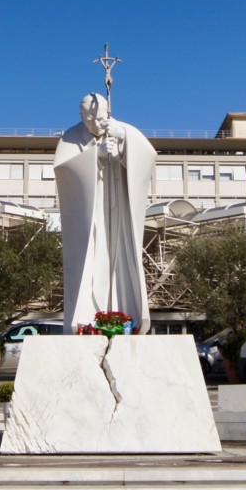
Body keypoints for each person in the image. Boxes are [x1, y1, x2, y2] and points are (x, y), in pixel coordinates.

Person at [53, 93, 156, 335]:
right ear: (81, 116)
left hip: (120, 213)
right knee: (91, 260)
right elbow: (63, 170)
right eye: (89, 120)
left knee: (121, 258)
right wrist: (94, 156)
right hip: (91, 216)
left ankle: (125, 315)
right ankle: (87, 320)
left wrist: (125, 140)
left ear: (107, 112)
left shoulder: (123, 130)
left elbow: (148, 157)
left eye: (100, 119)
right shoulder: (70, 138)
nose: (96, 124)